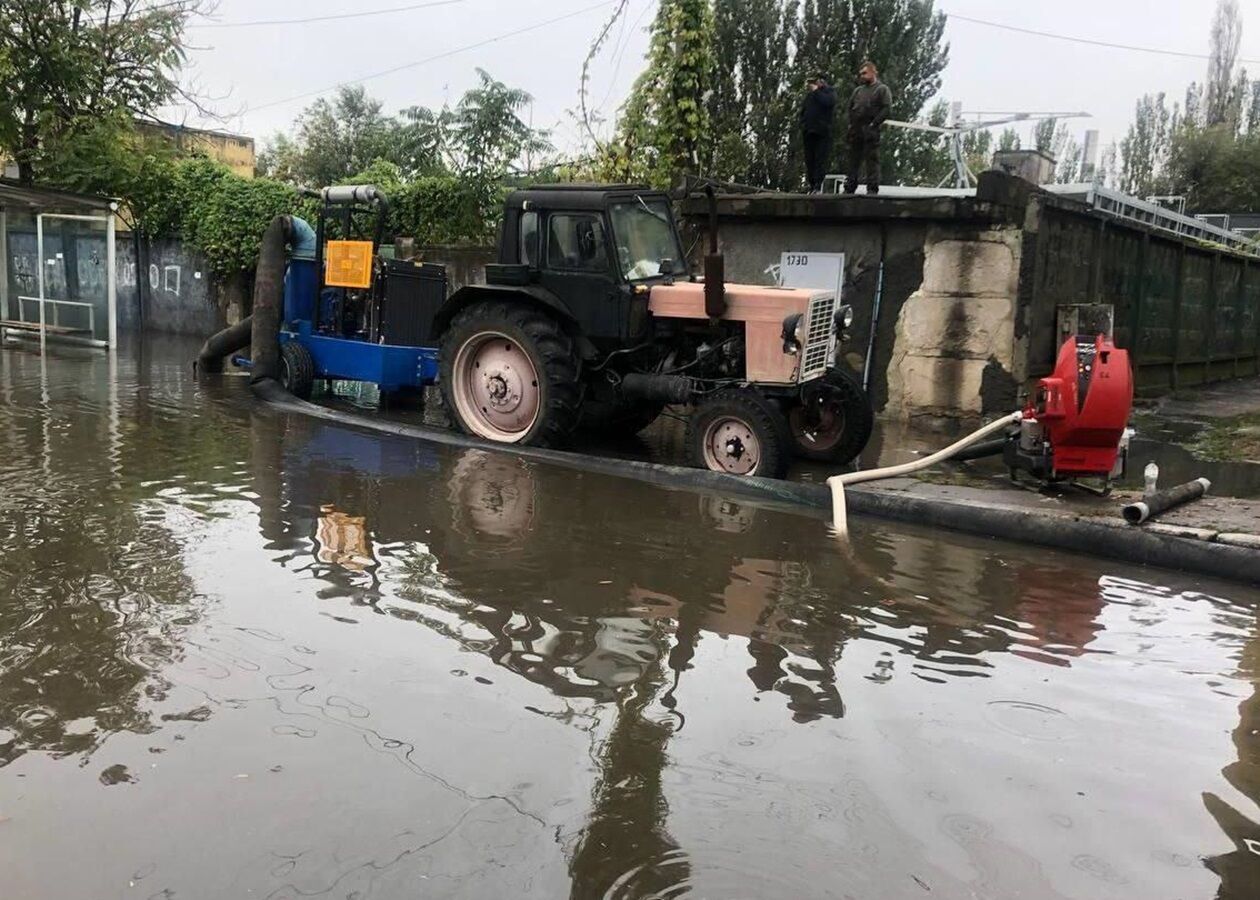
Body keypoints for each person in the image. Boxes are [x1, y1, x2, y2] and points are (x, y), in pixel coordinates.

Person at [845, 61, 893, 195]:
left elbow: (887, 109)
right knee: (853, 160)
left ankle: (872, 188)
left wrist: (874, 124)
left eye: (865, 73)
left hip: (871, 127)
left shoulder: (882, 89)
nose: (862, 76)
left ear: (873, 72)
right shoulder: (858, 91)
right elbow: (850, 108)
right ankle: (850, 187)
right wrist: (851, 125)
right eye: (861, 74)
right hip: (856, 128)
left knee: (872, 160)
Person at [799, 74, 837, 193]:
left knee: (820, 160)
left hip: (822, 132)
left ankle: (817, 185)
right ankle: (811, 185)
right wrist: (803, 124)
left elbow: (828, 103)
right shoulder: (810, 96)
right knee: (810, 160)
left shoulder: (829, 93)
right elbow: (804, 110)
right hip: (809, 131)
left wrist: (816, 91)